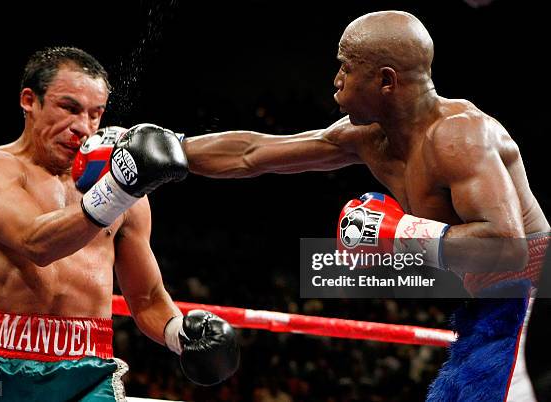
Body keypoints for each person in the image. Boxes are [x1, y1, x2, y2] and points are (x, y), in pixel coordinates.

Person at [179, 10, 550, 402]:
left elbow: (508, 246)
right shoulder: (368, 137)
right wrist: (173, 149)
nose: (336, 82)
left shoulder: (460, 136)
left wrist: (399, 232)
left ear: (386, 80)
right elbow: (255, 152)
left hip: (533, 303)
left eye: (346, 68)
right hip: (488, 314)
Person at [0, 47, 238, 401]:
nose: (82, 127)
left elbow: (146, 298)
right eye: (69, 108)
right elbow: (36, 243)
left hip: (88, 370)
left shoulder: (127, 194)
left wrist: (179, 333)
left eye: (95, 114)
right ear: (29, 101)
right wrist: (119, 188)